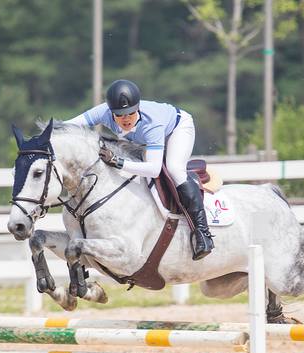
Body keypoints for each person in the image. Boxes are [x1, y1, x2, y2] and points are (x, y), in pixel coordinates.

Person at [65, 79, 214, 260]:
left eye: (130, 113)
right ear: (111, 112)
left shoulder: (152, 123)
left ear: (138, 108)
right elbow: (69, 125)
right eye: (120, 115)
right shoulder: (103, 111)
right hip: (140, 138)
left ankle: (202, 233)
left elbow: (154, 170)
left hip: (176, 129)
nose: (126, 119)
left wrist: (118, 162)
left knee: (174, 169)